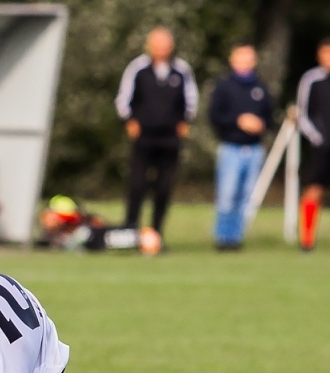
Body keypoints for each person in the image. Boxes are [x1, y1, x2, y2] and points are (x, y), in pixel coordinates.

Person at [116, 27, 197, 248]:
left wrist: (184, 122)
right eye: (157, 44)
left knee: (164, 187)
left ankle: (156, 233)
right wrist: (130, 121)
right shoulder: (138, 68)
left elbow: (191, 100)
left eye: (165, 44)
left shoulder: (181, 70)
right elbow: (123, 99)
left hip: (169, 138)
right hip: (144, 136)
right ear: (149, 45)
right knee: (137, 184)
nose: (161, 49)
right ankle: (130, 231)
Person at [208, 43, 273, 251]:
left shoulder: (260, 88)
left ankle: (235, 238)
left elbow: (270, 118)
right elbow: (214, 116)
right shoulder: (224, 86)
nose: (244, 62)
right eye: (240, 57)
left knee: (246, 196)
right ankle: (222, 237)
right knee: (227, 195)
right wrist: (238, 121)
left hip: (254, 149)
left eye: (248, 58)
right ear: (232, 59)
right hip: (231, 147)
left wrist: (261, 125)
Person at [294, 39, 330, 251]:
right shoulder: (311, 79)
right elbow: (302, 113)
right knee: (314, 189)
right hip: (321, 146)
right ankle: (307, 240)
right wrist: (317, 138)